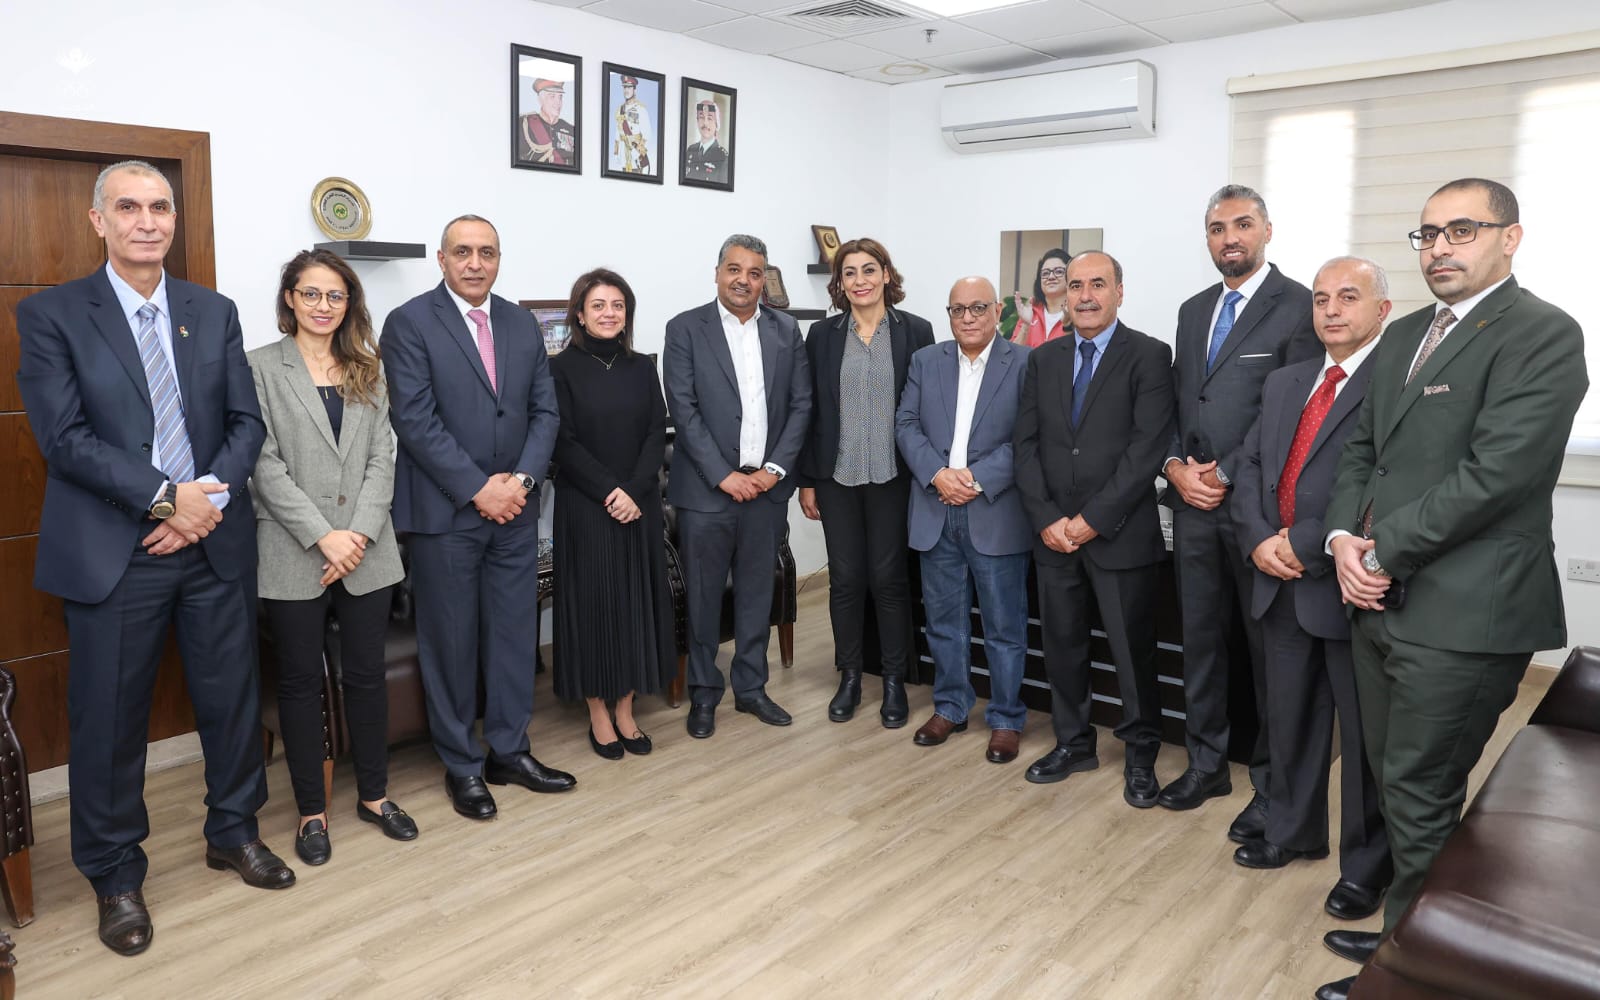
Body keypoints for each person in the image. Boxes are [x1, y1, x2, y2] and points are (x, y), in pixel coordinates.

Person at [1318, 179, 1587, 1000]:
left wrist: (1381, 552)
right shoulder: (1404, 334)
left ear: (1510, 237)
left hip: (1466, 613)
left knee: (1419, 790)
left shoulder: (1543, 332)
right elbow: (1362, 452)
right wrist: (1340, 539)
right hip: (1378, 601)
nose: (1439, 247)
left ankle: (1415, 975)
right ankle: (1409, 937)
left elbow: (1498, 475)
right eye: (1428, 233)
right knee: (1393, 779)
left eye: (1460, 230)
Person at [15, 160, 288, 956]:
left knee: (231, 702)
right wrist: (170, 502)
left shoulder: (213, 310)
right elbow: (64, 438)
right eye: (128, 206)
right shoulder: (53, 314)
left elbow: (245, 423)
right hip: (116, 551)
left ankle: (233, 832)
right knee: (108, 720)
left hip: (213, 545)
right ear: (98, 220)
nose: (147, 220)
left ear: (174, 218)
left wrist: (203, 508)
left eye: (160, 206)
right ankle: (114, 876)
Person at [380, 214, 573, 821]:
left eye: (486, 252)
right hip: (446, 515)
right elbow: (414, 420)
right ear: (441, 259)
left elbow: (545, 412)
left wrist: (521, 481)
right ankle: (462, 764)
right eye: (462, 252)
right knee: (452, 644)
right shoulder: (410, 322)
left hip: (515, 510)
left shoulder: (520, 322)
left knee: (515, 636)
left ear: (498, 260)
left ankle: (510, 752)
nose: (475, 263)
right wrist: (476, 489)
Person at [1228, 257, 1392, 926]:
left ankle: (1366, 869)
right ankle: (1292, 831)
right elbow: (1250, 465)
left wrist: (1300, 542)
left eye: (1348, 297)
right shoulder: (1286, 380)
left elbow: (1382, 481)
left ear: (1382, 310)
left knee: (1365, 739)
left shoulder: (1396, 381)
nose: (1331, 309)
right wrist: (1257, 539)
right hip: (1277, 578)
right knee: (1289, 719)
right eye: (1322, 298)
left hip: (1348, 586)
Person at [1160, 184, 1319, 834]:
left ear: (1267, 231)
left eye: (1243, 225)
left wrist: (1224, 472)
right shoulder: (1193, 309)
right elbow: (1179, 402)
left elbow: (1291, 410)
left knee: (1265, 653)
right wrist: (1174, 467)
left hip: (1258, 511)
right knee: (1200, 642)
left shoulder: (1300, 306)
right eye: (1218, 228)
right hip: (1192, 507)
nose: (1230, 238)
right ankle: (1205, 765)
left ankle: (1272, 785)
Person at [248, 249, 415, 866]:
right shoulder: (258, 368)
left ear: (349, 304)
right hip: (294, 550)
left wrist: (358, 535)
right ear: (290, 298)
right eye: (311, 294)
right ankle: (311, 812)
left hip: (367, 550)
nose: (323, 306)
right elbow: (262, 465)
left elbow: (381, 458)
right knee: (299, 683)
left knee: (366, 676)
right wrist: (325, 536)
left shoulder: (368, 368)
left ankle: (374, 795)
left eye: (335, 295)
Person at [1012, 252, 1174, 800]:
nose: (1084, 295)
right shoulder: (1043, 359)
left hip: (1120, 535)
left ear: (1119, 292)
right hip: (1053, 537)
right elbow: (1025, 446)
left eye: (1097, 284)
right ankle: (1073, 743)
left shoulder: (1149, 355)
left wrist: (1091, 521)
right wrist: (1047, 519)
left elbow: (1146, 450)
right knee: (1062, 647)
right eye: (1075, 285)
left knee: (1133, 653)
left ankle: (1141, 754)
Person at [663, 234, 812, 738]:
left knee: (755, 594)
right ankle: (704, 694)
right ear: (717, 273)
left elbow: (801, 406)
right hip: (707, 492)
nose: (743, 280)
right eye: (734, 269)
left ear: (763, 279)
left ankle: (751, 689)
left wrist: (774, 471)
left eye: (754, 272)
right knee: (704, 598)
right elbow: (683, 410)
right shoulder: (685, 329)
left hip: (767, 491)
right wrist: (724, 475)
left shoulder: (786, 330)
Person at [796, 237, 934, 728]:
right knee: (847, 580)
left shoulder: (916, 331)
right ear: (840, 283)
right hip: (836, 476)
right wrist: (807, 480)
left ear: (886, 274)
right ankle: (850, 676)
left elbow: (927, 407)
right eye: (849, 273)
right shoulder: (823, 335)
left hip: (894, 476)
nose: (860, 281)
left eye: (868, 270)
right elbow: (811, 410)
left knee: (890, 580)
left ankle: (894, 680)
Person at [895, 277, 1033, 763]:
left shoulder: (1025, 363)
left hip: (995, 510)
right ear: (949, 314)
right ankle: (950, 707)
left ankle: (1006, 718)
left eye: (977, 308)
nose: (968, 317)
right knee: (943, 624)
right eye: (958, 309)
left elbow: (1028, 437)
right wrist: (938, 474)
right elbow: (905, 424)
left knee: (1004, 627)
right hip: (936, 510)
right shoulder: (925, 361)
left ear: (997, 311)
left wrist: (973, 479)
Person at [548, 268, 673, 758]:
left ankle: (626, 708)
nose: (608, 313)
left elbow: (656, 431)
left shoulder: (642, 366)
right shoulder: (559, 368)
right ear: (580, 314)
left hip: (639, 505)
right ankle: (598, 712)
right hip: (586, 506)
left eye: (617, 305)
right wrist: (610, 492)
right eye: (598, 305)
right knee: (593, 609)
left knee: (635, 607)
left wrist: (634, 491)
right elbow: (562, 441)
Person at [1008, 248, 1072, 347]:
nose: (1051, 277)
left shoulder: (1077, 312)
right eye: (1045, 273)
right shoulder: (1031, 312)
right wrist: (1025, 326)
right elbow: (1013, 354)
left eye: (1059, 272)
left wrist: (1068, 326)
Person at [520, 78, 575, 165]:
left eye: (560, 97)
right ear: (540, 100)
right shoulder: (523, 124)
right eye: (552, 96)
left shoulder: (571, 130)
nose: (558, 102)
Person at [612, 75, 652, 174]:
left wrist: (638, 152)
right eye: (624, 87)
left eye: (629, 87)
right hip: (623, 156)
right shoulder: (619, 110)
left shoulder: (641, 109)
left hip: (636, 156)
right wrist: (616, 153)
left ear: (634, 90)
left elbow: (647, 134)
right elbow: (617, 134)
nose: (626, 90)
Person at [683, 98, 729, 183]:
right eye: (701, 117)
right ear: (697, 121)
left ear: (716, 124)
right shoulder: (691, 150)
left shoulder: (723, 158)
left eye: (710, 118)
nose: (705, 123)